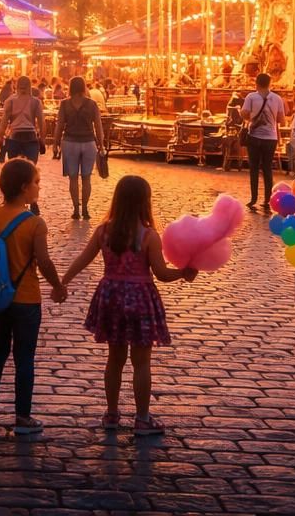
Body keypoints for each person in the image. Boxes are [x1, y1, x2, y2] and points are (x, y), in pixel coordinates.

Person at [59, 174, 196, 436]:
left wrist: (63, 281)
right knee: (141, 362)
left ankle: (111, 414)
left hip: (111, 297)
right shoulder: (149, 236)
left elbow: (84, 259)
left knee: (115, 359)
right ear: (145, 202)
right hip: (140, 300)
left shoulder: (104, 231)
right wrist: (184, 272)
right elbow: (161, 273)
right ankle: (142, 419)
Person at [0, 158, 67, 435]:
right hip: (26, 298)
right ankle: (23, 417)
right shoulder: (35, 223)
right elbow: (44, 261)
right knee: (24, 357)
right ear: (25, 188)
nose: (39, 188)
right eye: (37, 183)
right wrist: (58, 286)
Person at [54, 76, 104, 221]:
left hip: (70, 142)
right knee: (87, 178)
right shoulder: (92, 104)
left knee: (73, 178)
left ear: (70, 87)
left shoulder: (64, 104)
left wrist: (56, 143)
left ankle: (76, 209)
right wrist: (101, 145)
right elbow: (98, 127)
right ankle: (85, 209)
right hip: (88, 143)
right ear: (83, 87)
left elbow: (59, 125)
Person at [240, 73, 286, 209]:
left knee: (253, 168)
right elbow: (281, 120)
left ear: (256, 83)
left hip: (254, 136)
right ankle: (267, 199)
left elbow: (244, 114)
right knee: (267, 168)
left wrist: (251, 116)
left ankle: (253, 198)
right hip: (271, 138)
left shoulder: (251, 97)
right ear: (270, 83)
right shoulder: (277, 98)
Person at [3, 76, 44, 164]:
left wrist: (1, 137)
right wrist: (42, 139)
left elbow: (4, 121)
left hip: (14, 135)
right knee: (31, 167)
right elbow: (41, 122)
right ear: (30, 87)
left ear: (17, 86)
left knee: (14, 167)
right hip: (30, 135)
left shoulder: (10, 101)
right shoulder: (36, 102)